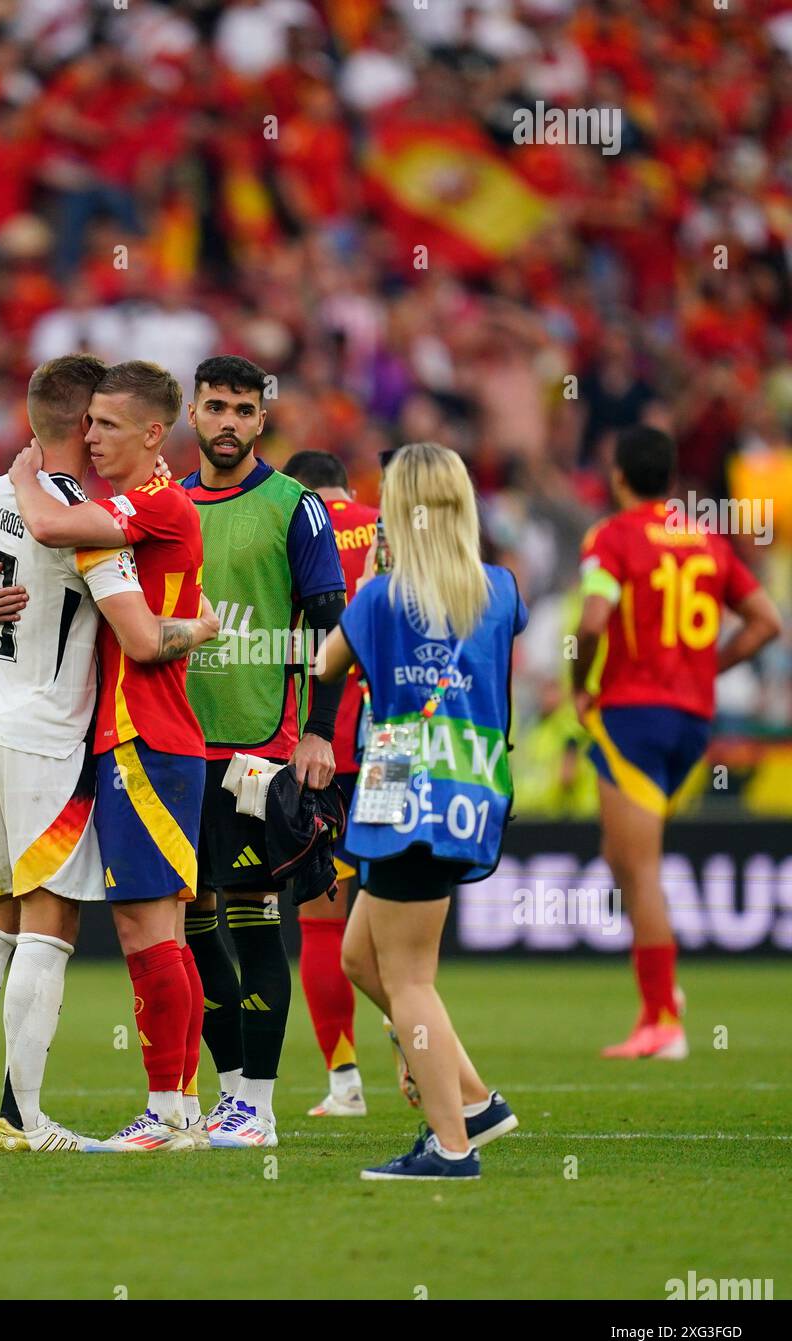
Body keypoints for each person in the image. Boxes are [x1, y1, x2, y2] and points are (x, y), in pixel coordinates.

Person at [0, 355, 218, 1153]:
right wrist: (200, 629)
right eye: (94, 422)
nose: (97, 436)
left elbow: (3, 582)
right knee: (49, 927)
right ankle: (27, 1115)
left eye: (110, 425)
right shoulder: (91, 518)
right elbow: (138, 634)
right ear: (80, 422)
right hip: (51, 739)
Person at [317, 443, 525, 1181]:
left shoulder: (378, 596)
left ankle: (451, 1148)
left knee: (409, 978)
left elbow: (326, 666)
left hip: (402, 786)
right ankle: (471, 1101)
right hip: (467, 784)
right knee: (359, 958)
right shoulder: (499, 589)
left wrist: (373, 572)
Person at [572, 425, 782, 1059]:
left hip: (634, 714)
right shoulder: (707, 540)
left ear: (618, 477)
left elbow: (590, 621)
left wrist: (583, 685)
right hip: (692, 722)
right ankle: (663, 997)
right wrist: (706, 670)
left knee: (637, 869)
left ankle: (663, 1019)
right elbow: (766, 623)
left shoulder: (612, 536)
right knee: (621, 855)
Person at [180, 357, 347, 1148]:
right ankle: (230, 1095)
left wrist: (317, 729)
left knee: (254, 923)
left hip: (259, 750)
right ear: (190, 411)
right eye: (215, 407)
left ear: (261, 420)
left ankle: (263, 1106)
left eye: (243, 411)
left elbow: (330, 628)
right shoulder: (167, 506)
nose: (228, 424)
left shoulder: (295, 507)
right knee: (188, 924)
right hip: (175, 748)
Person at [282, 449, 378, 1119]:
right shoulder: (386, 526)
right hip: (394, 746)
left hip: (315, 744)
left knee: (319, 924)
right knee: (400, 916)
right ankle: (416, 1032)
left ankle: (345, 1082)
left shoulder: (286, 522)